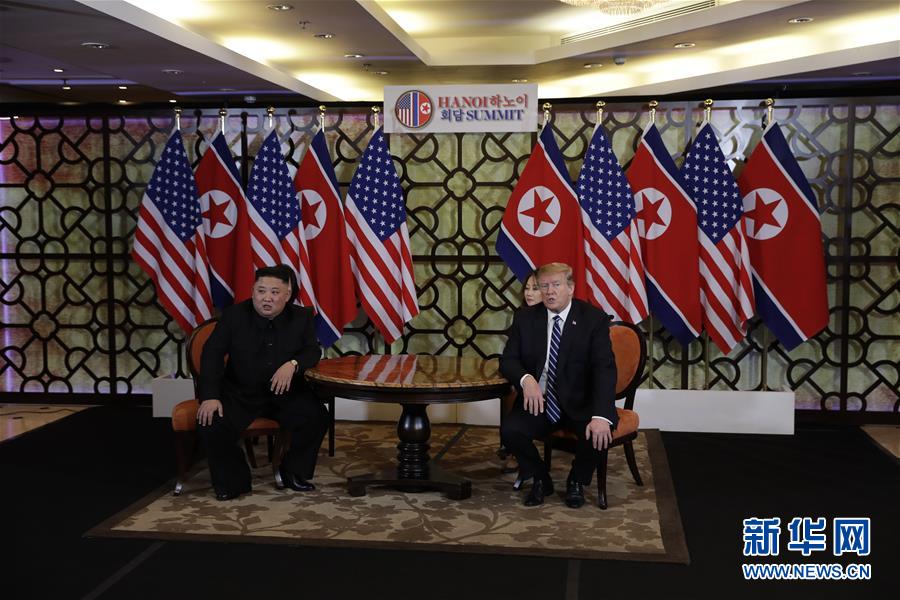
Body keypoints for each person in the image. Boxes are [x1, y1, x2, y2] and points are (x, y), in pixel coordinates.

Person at [197, 264, 328, 501]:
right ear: (253, 291)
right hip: (241, 393)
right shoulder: (234, 316)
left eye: (275, 292)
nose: (267, 298)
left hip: (285, 394)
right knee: (212, 421)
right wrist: (210, 396)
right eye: (261, 291)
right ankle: (234, 481)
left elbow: (312, 351)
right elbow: (212, 354)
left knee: (316, 417)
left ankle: (293, 472)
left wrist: (293, 364)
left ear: (287, 295)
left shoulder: (301, 317)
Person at [499, 262, 617, 508]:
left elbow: (604, 370)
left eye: (556, 285)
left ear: (570, 288)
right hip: (540, 401)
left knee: (599, 433)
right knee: (510, 430)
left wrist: (601, 415)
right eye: (544, 286)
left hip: (580, 402)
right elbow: (508, 360)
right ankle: (541, 477)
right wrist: (526, 379)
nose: (549, 292)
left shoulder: (593, 319)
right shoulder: (526, 318)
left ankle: (576, 480)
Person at [499, 271, 542, 482]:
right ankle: (513, 449)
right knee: (511, 392)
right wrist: (524, 378)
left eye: (535, 288)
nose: (529, 293)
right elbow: (511, 356)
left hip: (552, 383)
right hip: (525, 379)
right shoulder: (521, 317)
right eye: (527, 288)